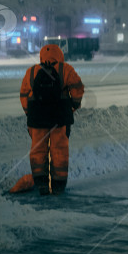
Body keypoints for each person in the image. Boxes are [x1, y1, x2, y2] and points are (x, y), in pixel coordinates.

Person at [19, 44, 84, 195]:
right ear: (60, 55)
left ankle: (41, 182)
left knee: (38, 149)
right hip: (59, 118)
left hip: (37, 118)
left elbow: (23, 95)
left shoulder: (32, 71)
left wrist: (30, 113)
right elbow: (77, 89)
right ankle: (58, 185)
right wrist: (73, 105)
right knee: (59, 149)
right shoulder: (65, 69)